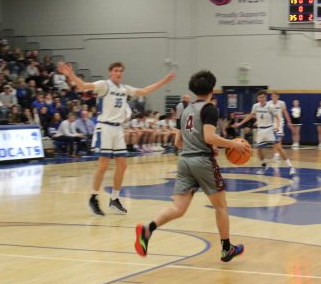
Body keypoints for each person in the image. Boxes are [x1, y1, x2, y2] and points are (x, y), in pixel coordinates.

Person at [134, 70, 249, 262]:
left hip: (185, 161)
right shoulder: (210, 109)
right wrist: (233, 144)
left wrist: (206, 146)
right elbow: (209, 137)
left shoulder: (185, 110)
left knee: (178, 208)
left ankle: (148, 229)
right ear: (213, 89)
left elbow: (178, 143)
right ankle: (226, 248)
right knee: (221, 207)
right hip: (202, 162)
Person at [57, 61, 175, 216]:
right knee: (103, 165)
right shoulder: (104, 85)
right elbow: (84, 86)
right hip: (104, 127)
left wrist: (164, 81)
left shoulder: (124, 89)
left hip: (118, 129)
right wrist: (70, 75)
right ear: (110, 72)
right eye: (116, 70)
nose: (118, 73)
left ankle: (114, 198)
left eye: (120, 71)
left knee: (123, 165)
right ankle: (93, 197)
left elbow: (144, 91)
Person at [234, 90, 296, 175]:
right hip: (260, 130)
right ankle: (264, 166)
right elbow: (250, 116)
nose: (261, 99)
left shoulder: (270, 106)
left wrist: (277, 126)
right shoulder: (255, 106)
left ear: (265, 98)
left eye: (263, 97)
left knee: (278, 147)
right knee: (259, 150)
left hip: (270, 129)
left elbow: (277, 117)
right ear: (257, 98)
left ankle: (290, 167)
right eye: (260, 97)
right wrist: (240, 123)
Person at [267, 92, 293, 161]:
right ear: (271, 97)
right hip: (271, 123)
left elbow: (285, 112)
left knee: (278, 140)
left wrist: (289, 122)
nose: (274, 97)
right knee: (274, 140)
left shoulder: (282, 103)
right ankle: (276, 155)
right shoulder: (268, 103)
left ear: (278, 97)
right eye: (272, 96)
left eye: (275, 96)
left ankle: (277, 155)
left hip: (280, 123)